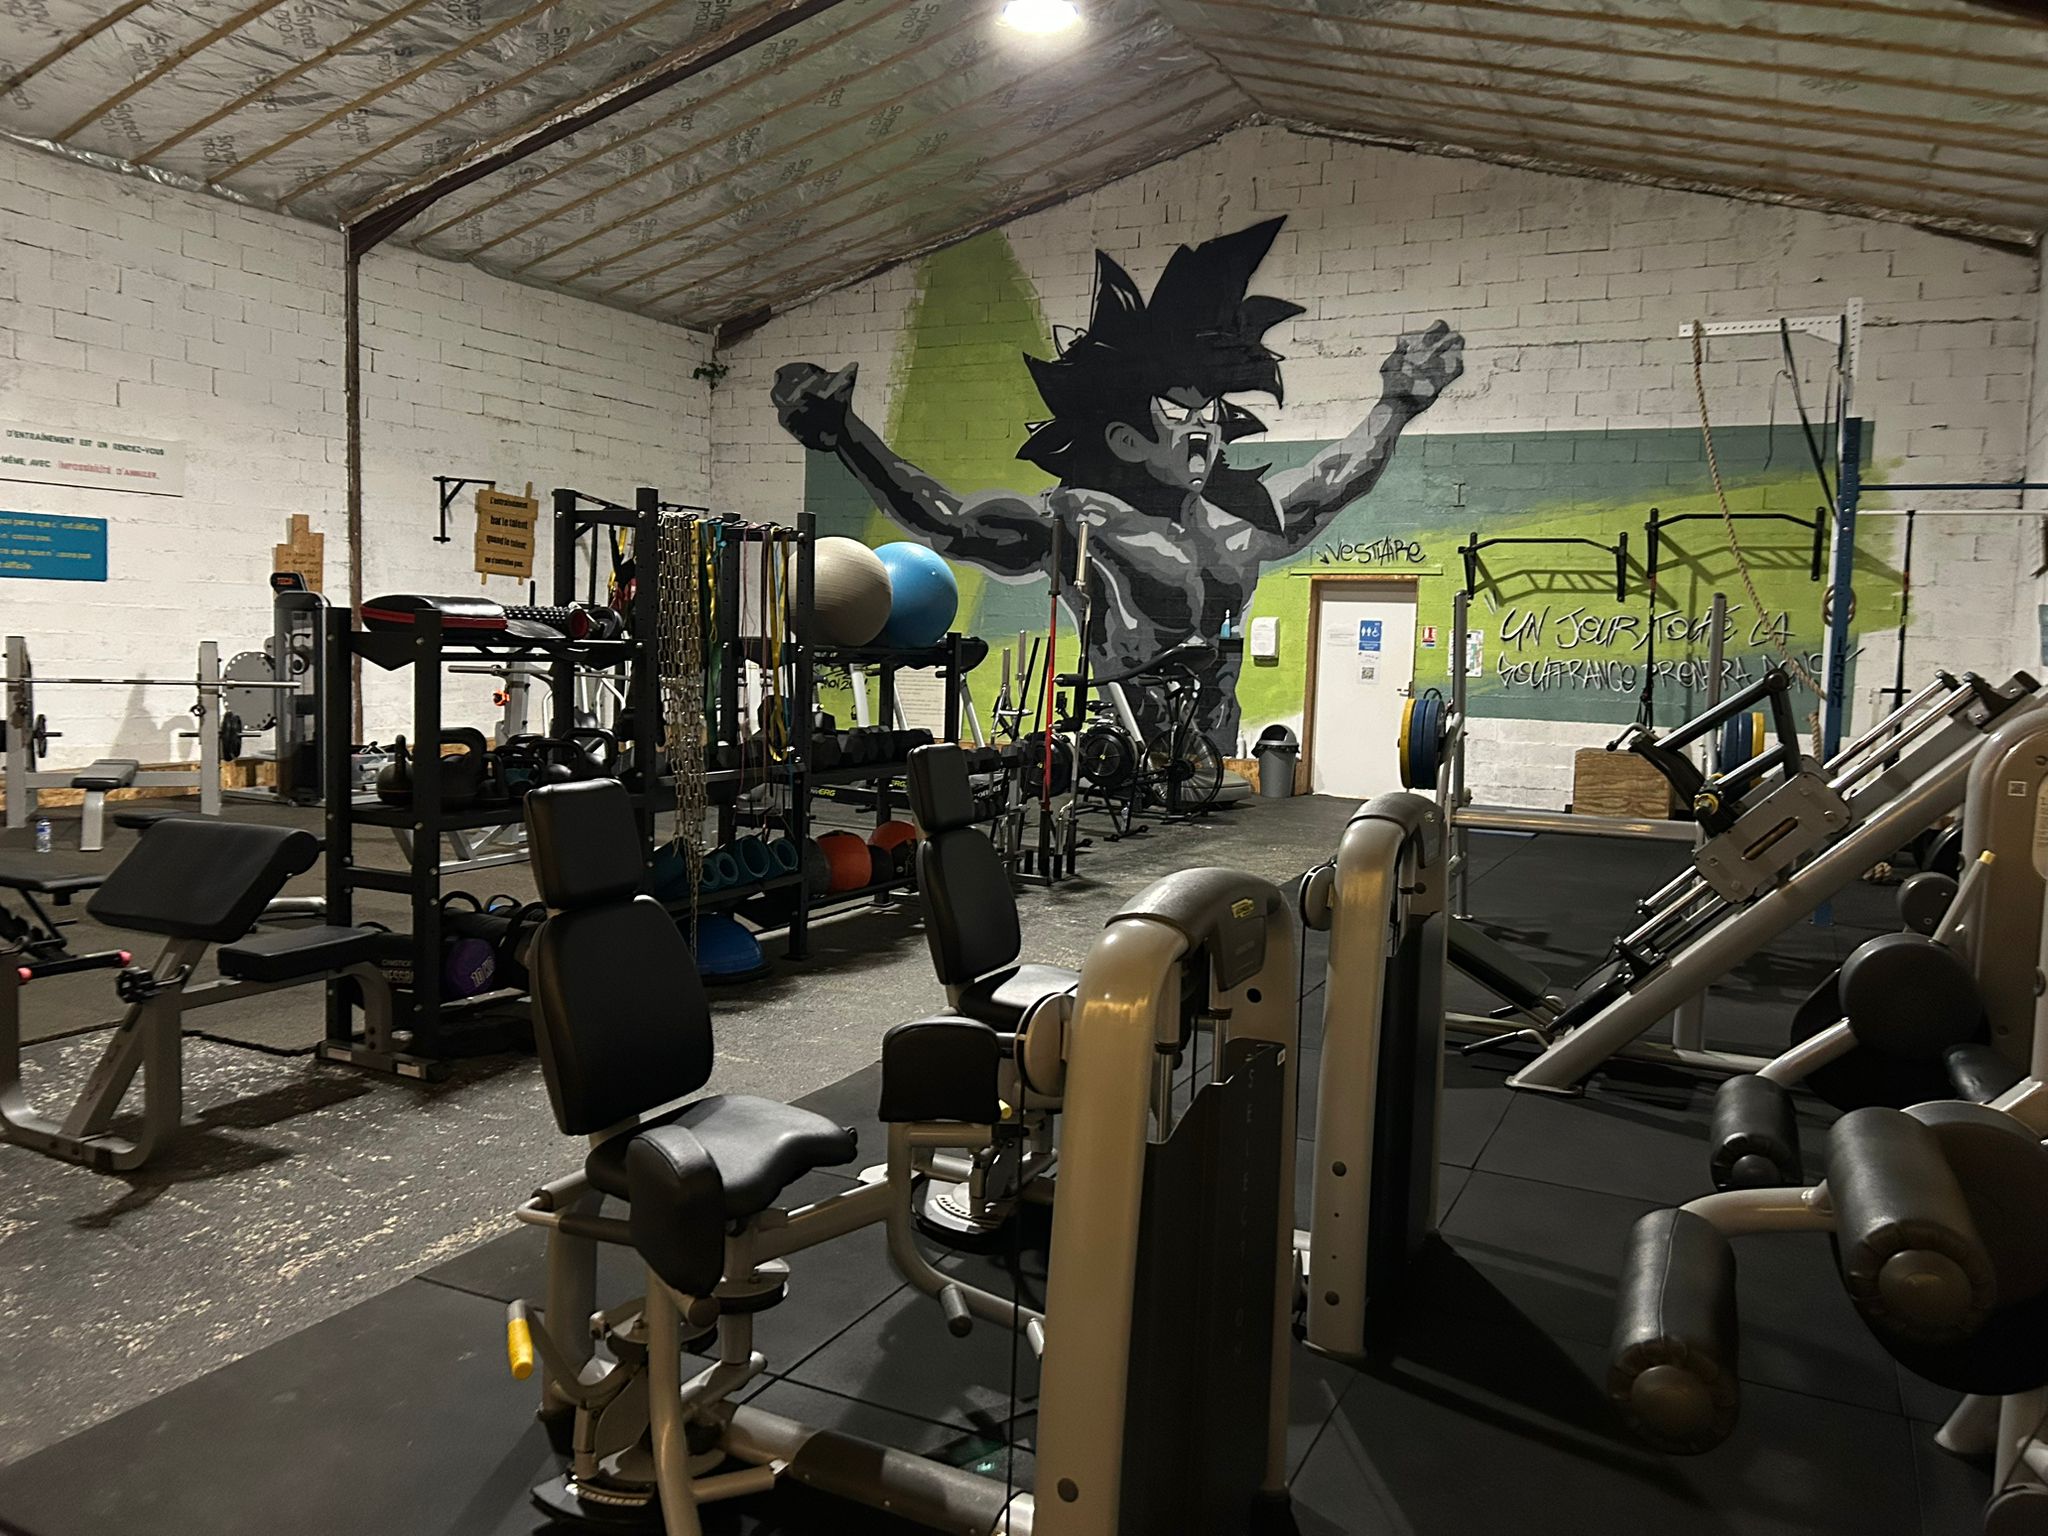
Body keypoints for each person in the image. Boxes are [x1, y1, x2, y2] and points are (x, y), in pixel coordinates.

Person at [773, 217, 1463, 748]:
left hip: (1210, 757)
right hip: (1121, 752)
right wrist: (846, 436)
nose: (1202, 428)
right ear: (1126, 437)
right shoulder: (1081, 523)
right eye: (1176, 413)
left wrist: (1397, 404)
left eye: (1208, 412)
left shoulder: (1245, 523)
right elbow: (947, 521)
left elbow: (1334, 477)